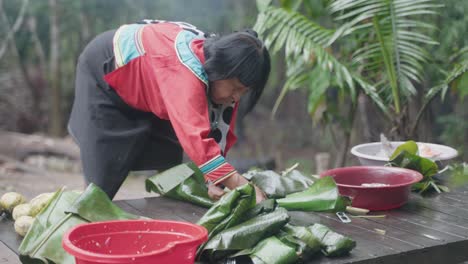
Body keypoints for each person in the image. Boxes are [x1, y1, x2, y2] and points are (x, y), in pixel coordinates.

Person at [68, 19, 270, 203]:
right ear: (221, 69)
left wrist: (214, 180)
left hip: (152, 86)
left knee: (173, 172)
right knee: (100, 187)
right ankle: (73, 225)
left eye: (243, 92)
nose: (236, 98)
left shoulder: (219, 73)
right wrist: (244, 186)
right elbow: (198, 142)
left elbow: (218, 132)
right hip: (106, 74)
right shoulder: (183, 71)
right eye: (235, 88)